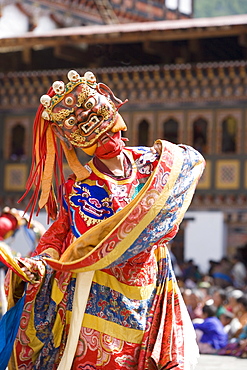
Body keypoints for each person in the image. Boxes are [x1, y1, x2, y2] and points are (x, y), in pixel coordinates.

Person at [3, 70, 205, 370]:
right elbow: (59, 236)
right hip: (96, 296)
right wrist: (41, 264)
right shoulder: (77, 188)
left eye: (105, 127)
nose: (106, 138)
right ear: (77, 143)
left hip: (151, 292)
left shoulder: (156, 164)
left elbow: (190, 167)